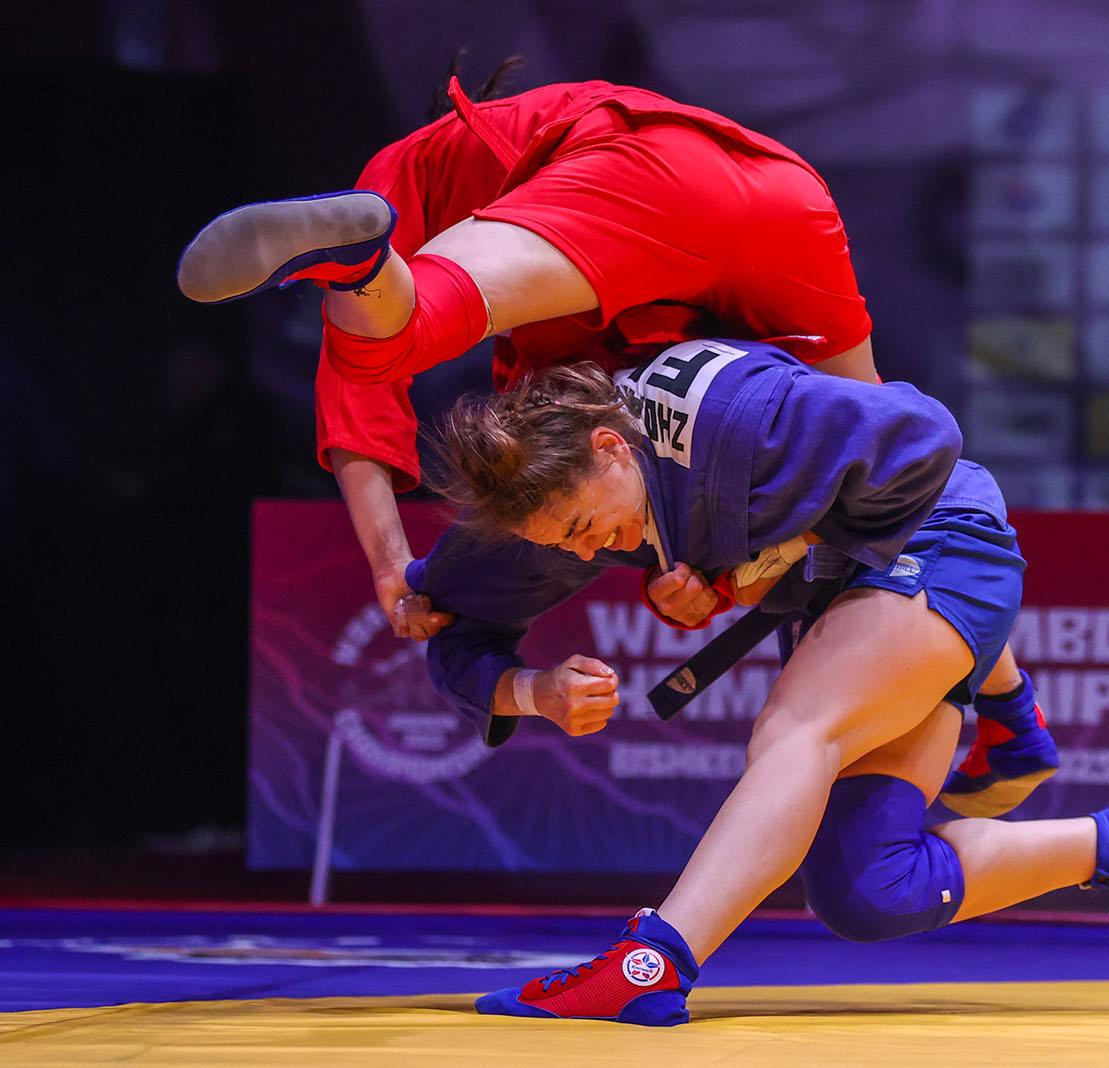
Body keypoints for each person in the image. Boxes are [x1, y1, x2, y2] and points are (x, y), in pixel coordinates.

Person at [175, 73, 1057, 815]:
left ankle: (361, 267)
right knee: (897, 496)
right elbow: (679, 463)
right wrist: (711, 573)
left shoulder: (424, 168)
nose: (583, 546)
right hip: (782, 207)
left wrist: (388, 567)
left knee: (398, 324)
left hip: (651, 184)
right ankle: (1016, 719)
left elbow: (357, 397)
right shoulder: (577, 370)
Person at [407, 340, 1109, 1026]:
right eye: (565, 545)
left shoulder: (729, 413)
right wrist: (533, 691)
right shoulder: (553, 501)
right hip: (853, 597)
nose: (589, 552)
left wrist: (766, 552)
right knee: (867, 890)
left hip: (940, 540)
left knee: (795, 732)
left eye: (585, 528)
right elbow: (446, 627)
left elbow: (923, 436)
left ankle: (650, 965)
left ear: (609, 448)